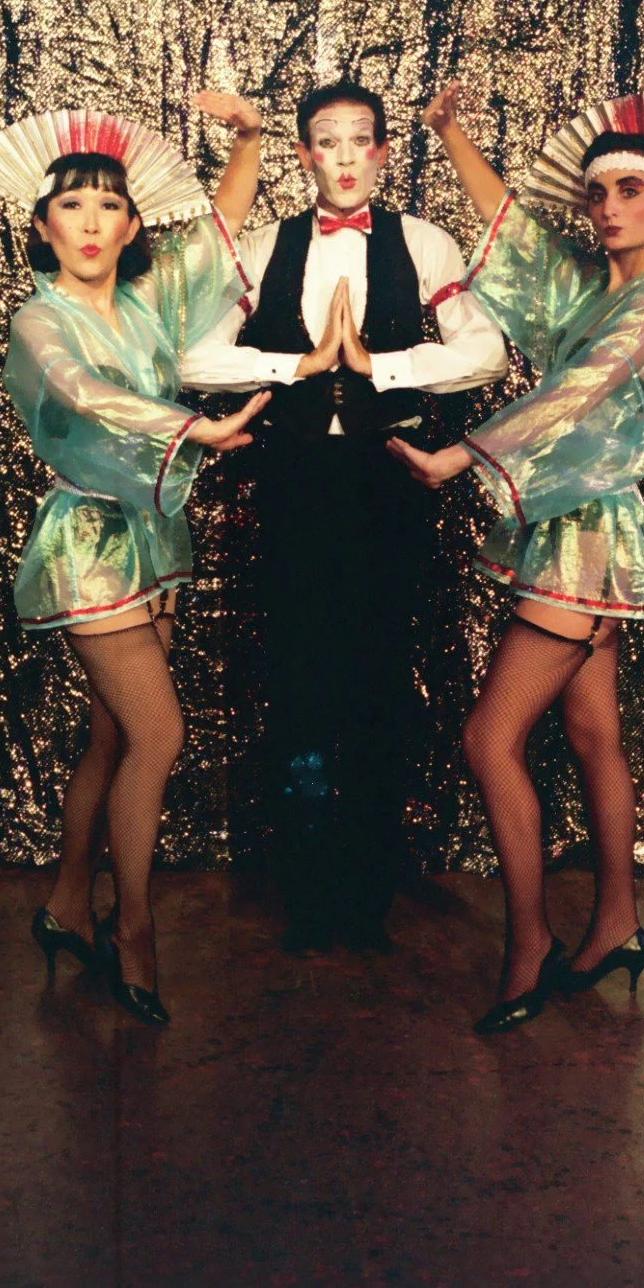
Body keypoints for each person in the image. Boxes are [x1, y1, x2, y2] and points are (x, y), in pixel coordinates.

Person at [389, 82, 644, 1032]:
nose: (608, 209)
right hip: (573, 530)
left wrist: (460, 452)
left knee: (488, 740)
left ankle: (530, 946)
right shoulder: (593, 290)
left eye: (631, 191)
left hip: (586, 538)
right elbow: (509, 234)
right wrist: (452, 133)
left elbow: (578, 398)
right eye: (599, 194)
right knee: (595, 737)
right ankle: (618, 923)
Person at [183, 81, 508, 954]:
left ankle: (366, 888)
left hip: (390, 478)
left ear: (383, 154)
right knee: (295, 677)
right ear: (304, 157)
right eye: (327, 142)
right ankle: (305, 887)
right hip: (291, 481)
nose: (345, 158)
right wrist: (298, 366)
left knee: (377, 677)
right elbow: (191, 349)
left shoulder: (425, 242)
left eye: (361, 141)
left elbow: (485, 352)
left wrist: (381, 364)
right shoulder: (266, 244)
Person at [0, 95, 270, 1025]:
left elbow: (219, 237)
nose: (92, 222)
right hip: (88, 547)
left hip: (152, 537)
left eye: (109, 206)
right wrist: (196, 429)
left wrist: (251, 142)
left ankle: (65, 903)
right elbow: (83, 394)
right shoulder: (38, 320)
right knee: (160, 736)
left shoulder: (147, 301)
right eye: (71, 205)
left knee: (113, 736)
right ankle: (131, 930)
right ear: (40, 225)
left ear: (134, 226)